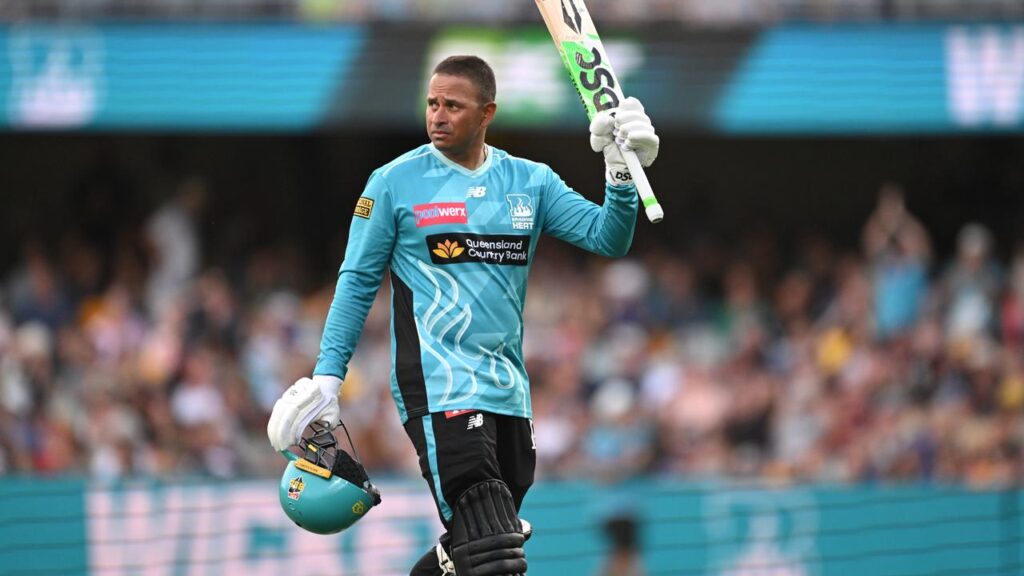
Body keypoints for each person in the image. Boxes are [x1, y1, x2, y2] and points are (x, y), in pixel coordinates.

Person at [267, 55, 659, 576]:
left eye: (453, 105)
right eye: (432, 103)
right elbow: (357, 280)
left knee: (475, 548)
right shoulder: (393, 182)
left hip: (509, 391)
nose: (438, 115)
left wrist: (619, 171)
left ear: (487, 113)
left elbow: (608, 236)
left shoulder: (531, 181)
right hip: (439, 387)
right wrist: (328, 378)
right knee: (496, 550)